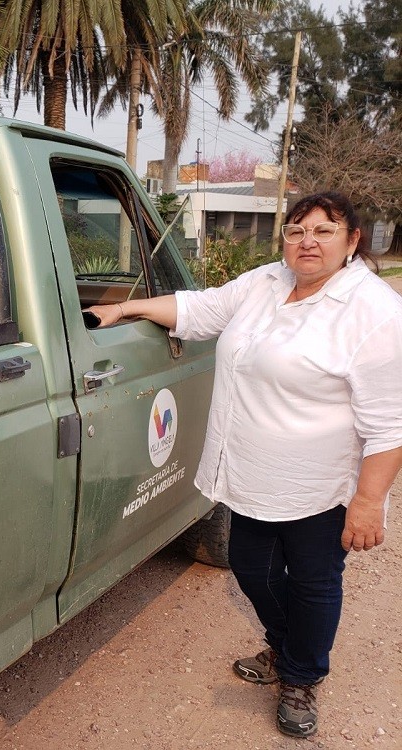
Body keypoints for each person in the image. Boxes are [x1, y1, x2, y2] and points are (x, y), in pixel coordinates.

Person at [86, 191, 402, 738]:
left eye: (325, 231)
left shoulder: (374, 313)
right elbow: (199, 309)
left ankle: (301, 675)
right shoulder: (266, 282)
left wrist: (369, 502)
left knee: (312, 582)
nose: (307, 242)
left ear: (353, 241)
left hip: (319, 487)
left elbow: (390, 424)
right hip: (251, 476)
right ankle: (287, 648)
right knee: (253, 569)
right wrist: (126, 308)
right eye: (297, 230)